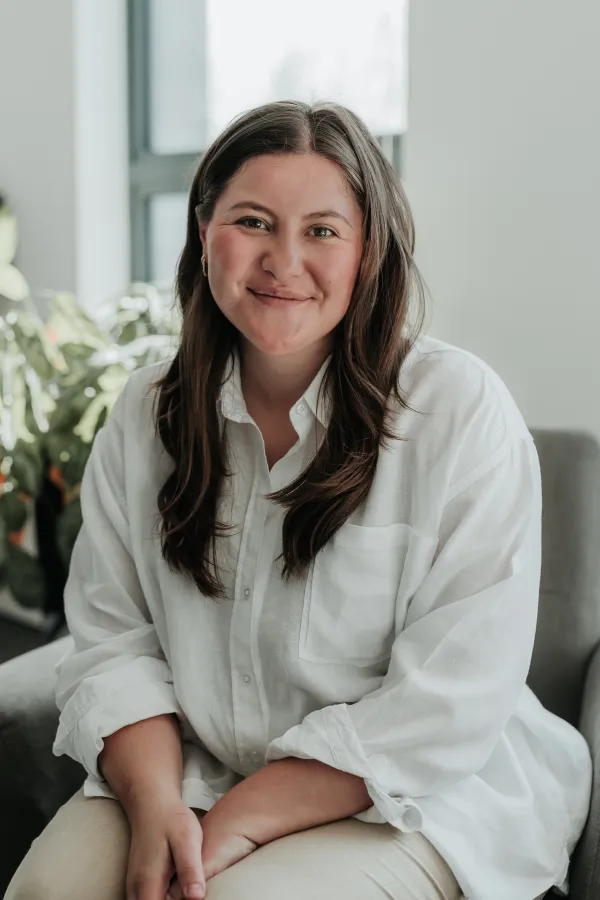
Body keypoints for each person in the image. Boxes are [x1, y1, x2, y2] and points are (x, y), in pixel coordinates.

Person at [5, 100, 591, 900]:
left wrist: (237, 824)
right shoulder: (146, 415)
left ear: (368, 252)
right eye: (252, 221)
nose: (284, 260)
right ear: (205, 231)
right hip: (195, 769)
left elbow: (446, 703)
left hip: (413, 792)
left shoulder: (457, 411)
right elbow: (115, 642)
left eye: (322, 230)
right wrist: (154, 808)